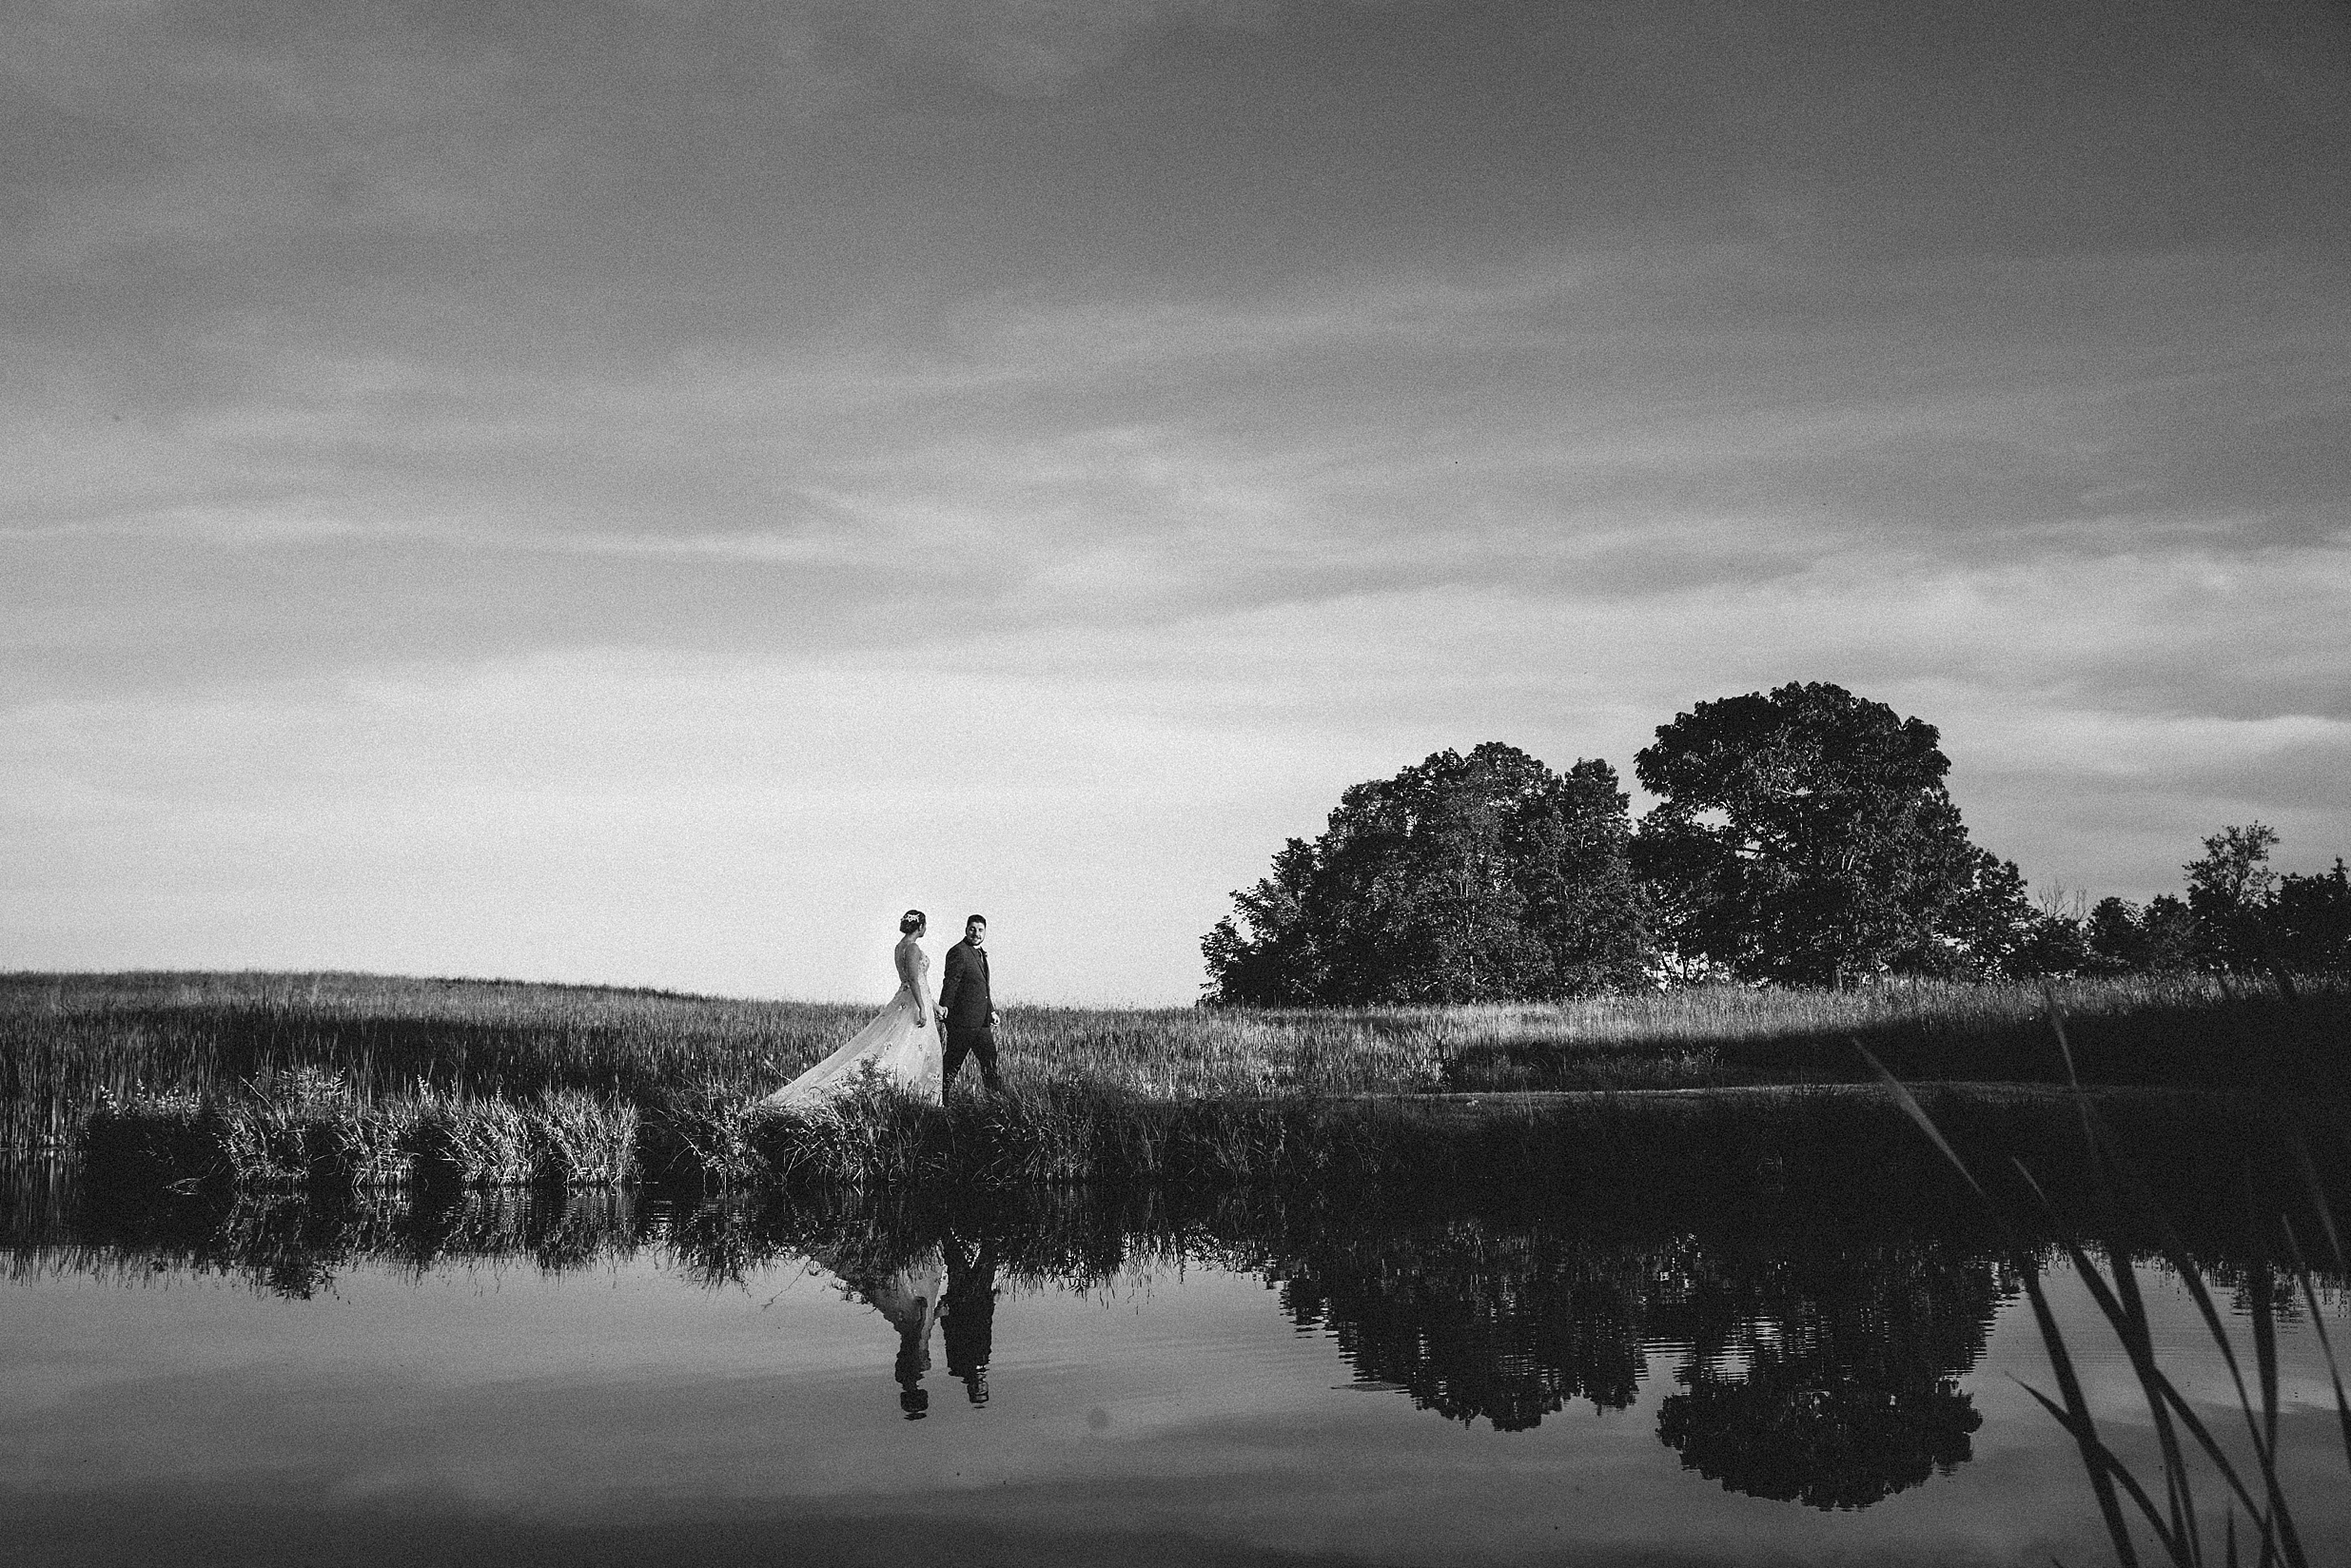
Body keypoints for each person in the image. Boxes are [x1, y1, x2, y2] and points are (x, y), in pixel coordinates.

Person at [762, 910, 943, 1107]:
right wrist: (923, 1008)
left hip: (908, 999)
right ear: (920, 927)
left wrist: (935, 1006)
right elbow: (914, 980)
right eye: (925, 926)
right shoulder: (913, 948)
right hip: (912, 1005)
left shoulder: (899, 947)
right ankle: (916, 1102)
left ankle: (912, 1100)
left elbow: (915, 982)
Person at [937, 914, 1003, 1093]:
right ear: (966, 929)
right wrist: (945, 1008)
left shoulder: (980, 953)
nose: (976, 933)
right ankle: (939, 1103)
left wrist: (991, 1012)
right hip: (962, 1022)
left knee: (990, 1060)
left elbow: (982, 988)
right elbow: (951, 981)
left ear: (985, 932)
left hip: (981, 1023)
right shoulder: (958, 951)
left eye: (980, 930)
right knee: (952, 1064)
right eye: (972, 929)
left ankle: (996, 1102)